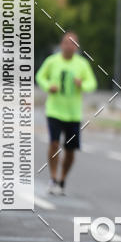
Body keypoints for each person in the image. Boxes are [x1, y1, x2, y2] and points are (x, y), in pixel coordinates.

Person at [35, 32, 97, 195]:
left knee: (70, 150)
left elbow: (92, 83)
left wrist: (82, 84)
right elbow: (40, 76)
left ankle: (62, 180)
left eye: (73, 44)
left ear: (76, 47)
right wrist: (49, 86)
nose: (69, 46)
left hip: (73, 114)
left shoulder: (82, 64)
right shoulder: (52, 61)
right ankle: (53, 178)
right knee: (54, 143)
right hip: (54, 111)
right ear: (61, 45)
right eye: (66, 43)